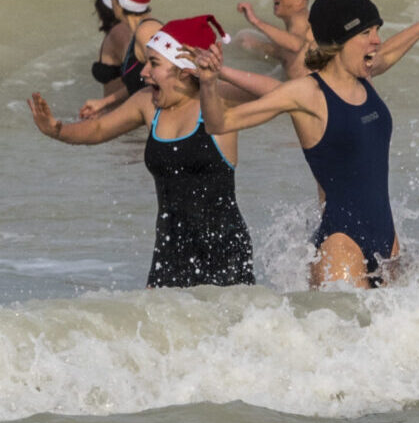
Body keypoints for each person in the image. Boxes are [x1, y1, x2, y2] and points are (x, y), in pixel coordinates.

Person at [196, 0, 419, 288]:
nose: (377, 40)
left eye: (376, 30)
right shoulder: (307, 93)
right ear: (339, 41)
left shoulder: (365, 75)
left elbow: (389, 52)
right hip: (341, 246)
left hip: (387, 242)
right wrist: (208, 84)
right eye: (366, 33)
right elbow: (220, 123)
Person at [30, 16, 260, 288]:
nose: (143, 73)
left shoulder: (217, 101)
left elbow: (281, 93)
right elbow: (98, 129)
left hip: (224, 251)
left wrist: (219, 72)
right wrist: (56, 129)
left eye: (154, 63)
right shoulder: (149, 105)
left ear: (184, 70)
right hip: (170, 250)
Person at [88, 0, 155, 107]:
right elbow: (139, 82)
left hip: (137, 122)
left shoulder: (137, 32)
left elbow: (159, 81)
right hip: (131, 119)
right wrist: (103, 103)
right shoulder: (138, 30)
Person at [236, 0, 313, 79]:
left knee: (219, 88)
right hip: (292, 80)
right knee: (244, 37)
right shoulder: (304, 22)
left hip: (302, 90)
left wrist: (255, 21)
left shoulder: (302, 25)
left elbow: (296, 45)